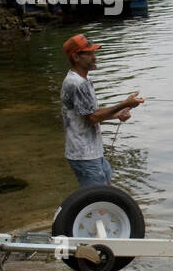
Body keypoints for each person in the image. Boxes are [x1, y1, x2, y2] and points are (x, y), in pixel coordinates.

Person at [60, 34, 143, 186]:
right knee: (99, 201)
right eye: (89, 53)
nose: (94, 57)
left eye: (94, 52)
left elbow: (90, 112)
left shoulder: (85, 79)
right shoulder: (76, 83)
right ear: (76, 57)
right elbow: (92, 117)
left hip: (93, 151)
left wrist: (118, 113)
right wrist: (124, 103)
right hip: (83, 154)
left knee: (107, 195)